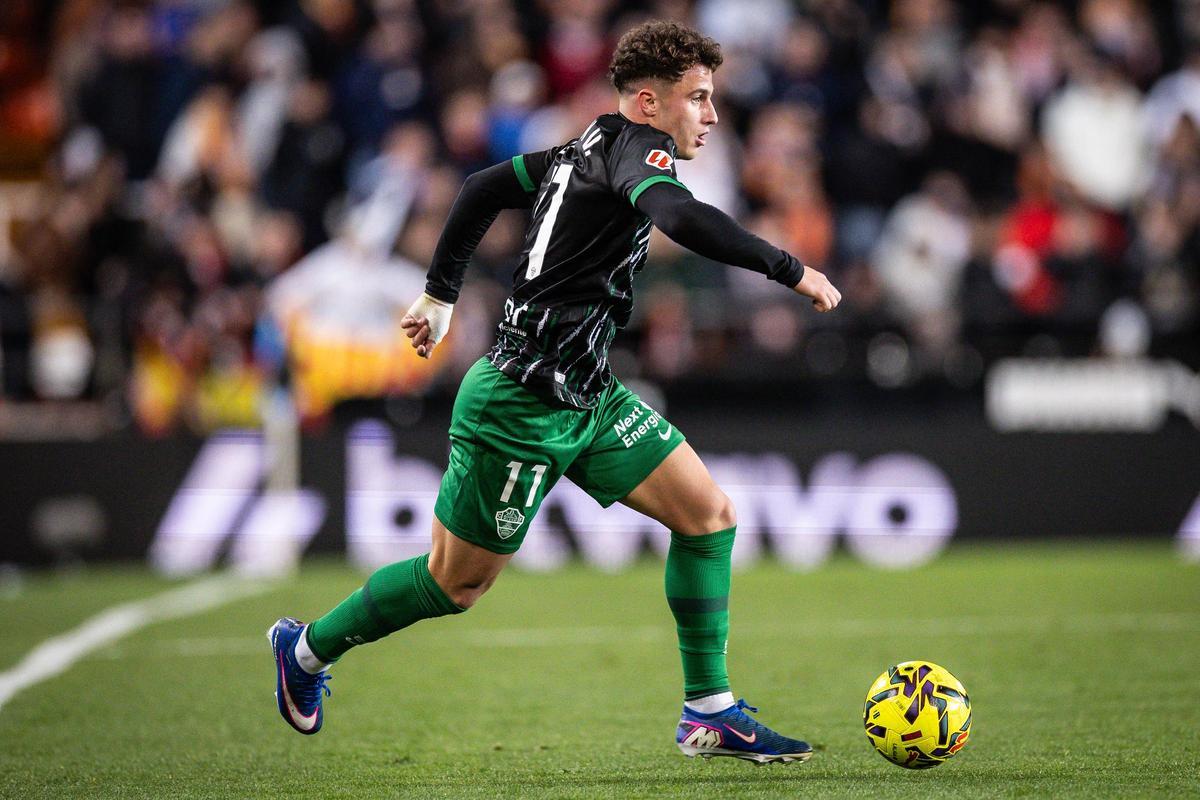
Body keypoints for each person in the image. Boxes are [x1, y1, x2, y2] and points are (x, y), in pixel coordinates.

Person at [268, 20, 841, 764]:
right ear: (648, 101)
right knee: (456, 585)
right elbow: (679, 216)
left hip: (588, 394)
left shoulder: (585, 147)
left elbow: (480, 189)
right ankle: (307, 650)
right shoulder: (637, 153)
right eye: (697, 98)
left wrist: (440, 297)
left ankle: (710, 711)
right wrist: (790, 269)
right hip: (519, 405)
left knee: (708, 516)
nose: (712, 115)